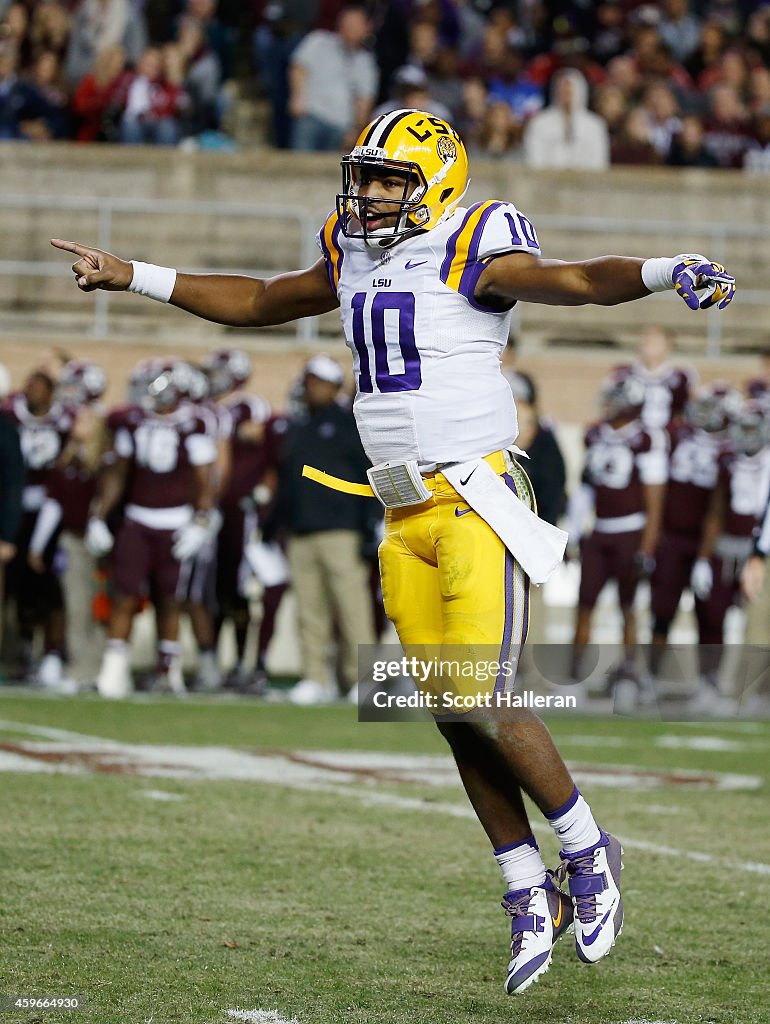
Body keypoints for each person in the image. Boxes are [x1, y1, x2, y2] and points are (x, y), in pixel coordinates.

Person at [51, 108, 736, 995]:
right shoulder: (351, 246)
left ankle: (587, 848)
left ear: (437, 180)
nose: (369, 194)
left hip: (477, 496)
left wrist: (657, 271)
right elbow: (261, 300)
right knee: (451, 708)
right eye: (364, 177)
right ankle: (527, 885)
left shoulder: (473, 238)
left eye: (389, 179)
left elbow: (571, 279)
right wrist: (131, 274)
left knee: (487, 693)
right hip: (404, 510)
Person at [273, 354, 378, 705]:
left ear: (334, 386)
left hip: (342, 531)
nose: (310, 388)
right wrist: (275, 523)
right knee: (309, 610)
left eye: (318, 382)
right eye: (308, 381)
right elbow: (288, 480)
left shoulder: (350, 424)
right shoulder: (299, 425)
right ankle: (315, 677)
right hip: (302, 530)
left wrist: (368, 527)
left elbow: (368, 476)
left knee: (352, 609)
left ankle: (361, 679)